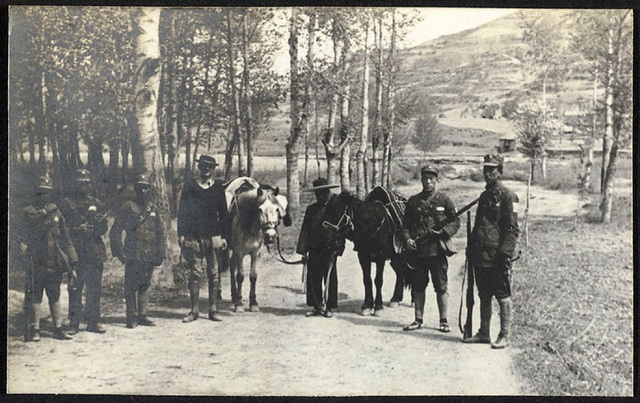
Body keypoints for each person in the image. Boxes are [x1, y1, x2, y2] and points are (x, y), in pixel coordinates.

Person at [463, 154, 519, 349]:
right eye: (485, 169)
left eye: (492, 170)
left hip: (497, 256)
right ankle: (484, 333)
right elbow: (479, 225)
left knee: (502, 294)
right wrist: (471, 247)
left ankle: (504, 334)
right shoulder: (485, 196)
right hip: (481, 255)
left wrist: (505, 255)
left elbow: (511, 229)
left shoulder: (509, 196)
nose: (488, 173)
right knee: (484, 294)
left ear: (500, 172)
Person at [400, 164, 460, 332]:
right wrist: (408, 239)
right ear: (421, 180)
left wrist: (443, 232)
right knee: (419, 286)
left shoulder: (444, 200)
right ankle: (418, 319)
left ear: (436, 180)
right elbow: (405, 226)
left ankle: (444, 321)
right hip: (419, 251)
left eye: (431, 179)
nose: (428, 182)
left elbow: (455, 221)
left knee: (441, 286)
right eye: (425, 178)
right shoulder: (413, 201)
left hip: (438, 250)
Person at [19, 174, 78, 341]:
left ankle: (58, 328)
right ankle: (35, 329)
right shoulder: (29, 212)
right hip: (36, 261)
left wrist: (73, 259)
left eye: (47, 192)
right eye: (41, 192)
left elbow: (66, 238)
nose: (44, 195)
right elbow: (26, 234)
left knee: (55, 294)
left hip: (54, 261)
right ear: (36, 193)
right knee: (35, 295)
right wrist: (43, 213)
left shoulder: (56, 212)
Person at [178, 155, 230, 323]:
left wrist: (224, 237)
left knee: (214, 273)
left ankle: (213, 310)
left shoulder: (218, 188)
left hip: (213, 235)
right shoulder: (190, 186)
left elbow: (223, 214)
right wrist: (181, 233)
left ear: (213, 169)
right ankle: (194, 311)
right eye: (203, 166)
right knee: (195, 273)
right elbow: (182, 211)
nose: (206, 169)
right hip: (193, 235)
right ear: (199, 167)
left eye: (209, 166)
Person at [110, 174, 166, 329]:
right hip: (133, 252)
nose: (143, 191)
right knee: (130, 286)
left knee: (145, 284)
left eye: (146, 187)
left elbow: (160, 232)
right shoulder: (128, 206)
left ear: (150, 189)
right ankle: (131, 316)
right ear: (136, 189)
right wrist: (120, 254)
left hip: (150, 253)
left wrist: (161, 252)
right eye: (140, 187)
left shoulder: (153, 208)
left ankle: (143, 315)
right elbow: (115, 231)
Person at [60, 169, 109, 335]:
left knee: (94, 288)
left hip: (94, 252)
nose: (84, 186)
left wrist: (97, 225)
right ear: (75, 184)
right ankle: (74, 322)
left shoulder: (97, 203)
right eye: (81, 182)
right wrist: (78, 229)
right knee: (75, 288)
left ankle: (93, 321)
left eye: (86, 182)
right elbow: (62, 228)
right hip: (76, 252)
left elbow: (103, 229)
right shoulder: (66, 204)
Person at [296, 178, 345, 318]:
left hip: (329, 250)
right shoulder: (311, 209)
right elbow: (305, 230)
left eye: (323, 193)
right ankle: (317, 307)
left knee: (329, 278)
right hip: (314, 249)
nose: (320, 196)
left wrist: (339, 249)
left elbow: (341, 230)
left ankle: (329, 307)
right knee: (313, 278)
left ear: (327, 192)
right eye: (317, 194)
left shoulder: (335, 208)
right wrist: (303, 251)